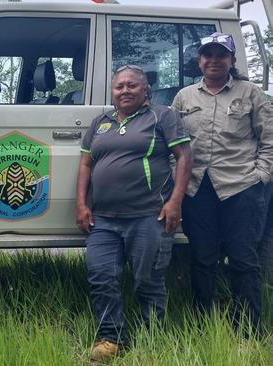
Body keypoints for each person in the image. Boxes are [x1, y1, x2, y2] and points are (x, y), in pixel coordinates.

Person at [76, 65, 191, 362]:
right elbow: (86, 165)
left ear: (146, 90)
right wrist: (81, 204)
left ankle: (153, 337)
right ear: (112, 92)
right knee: (101, 277)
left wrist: (175, 201)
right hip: (103, 219)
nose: (125, 91)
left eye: (132, 86)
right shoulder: (101, 122)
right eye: (119, 87)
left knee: (148, 280)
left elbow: (183, 156)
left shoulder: (162, 116)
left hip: (148, 216)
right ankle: (110, 339)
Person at [172, 32, 273, 334]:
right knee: (202, 258)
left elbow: (269, 141)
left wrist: (261, 176)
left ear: (231, 60)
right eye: (208, 55)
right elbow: (173, 144)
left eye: (221, 55)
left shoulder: (252, 93)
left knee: (244, 259)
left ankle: (249, 328)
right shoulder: (184, 97)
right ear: (199, 60)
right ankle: (204, 323)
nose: (214, 60)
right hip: (196, 188)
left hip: (242, 186)